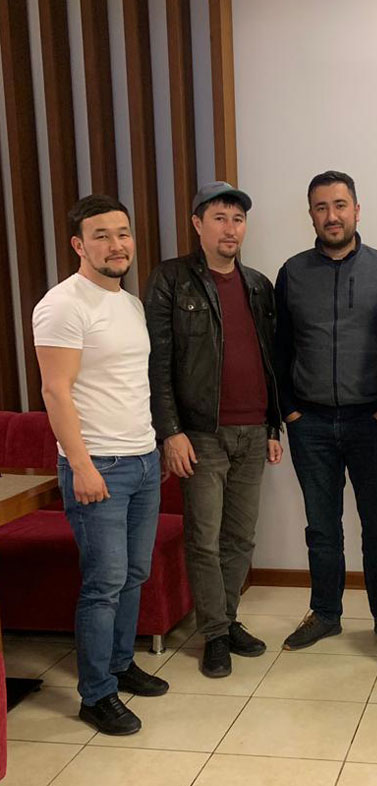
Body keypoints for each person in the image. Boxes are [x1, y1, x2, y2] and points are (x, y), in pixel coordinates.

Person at [33, 194, 168, 735]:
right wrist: (82, 465)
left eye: (122, 233)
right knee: (104, 583)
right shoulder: (64, 305)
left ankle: (119, 663)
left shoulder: (130, 304)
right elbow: (55, 391)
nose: (116, 245)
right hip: (99, 465)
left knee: (134, 574)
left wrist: (152, 450)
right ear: (78, 244)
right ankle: (96, 694)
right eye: (101, 235)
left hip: (142, 458)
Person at [145, 182, 283, 678]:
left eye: (238, 219)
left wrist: (273, 425)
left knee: (240, 538)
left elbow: (271, 359)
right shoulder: (171, 279)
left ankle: (226, 618)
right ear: (198, 224)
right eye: (220, 218)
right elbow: (158, 362)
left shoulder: (258, 285)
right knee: (204, 538)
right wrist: (171, 431)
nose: (230, 228)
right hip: (201, 433)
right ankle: (215, 634)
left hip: (254, 430)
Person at [275, 171, 377, 649]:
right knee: (322, 527)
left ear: (357, 210)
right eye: (322, 207)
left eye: (340, 205)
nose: (332, 216)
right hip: (311, 423)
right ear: (311, 214)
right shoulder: (292, 273)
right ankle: (326, 612)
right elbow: (280, 347)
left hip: (372, 423)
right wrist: (289, 410)